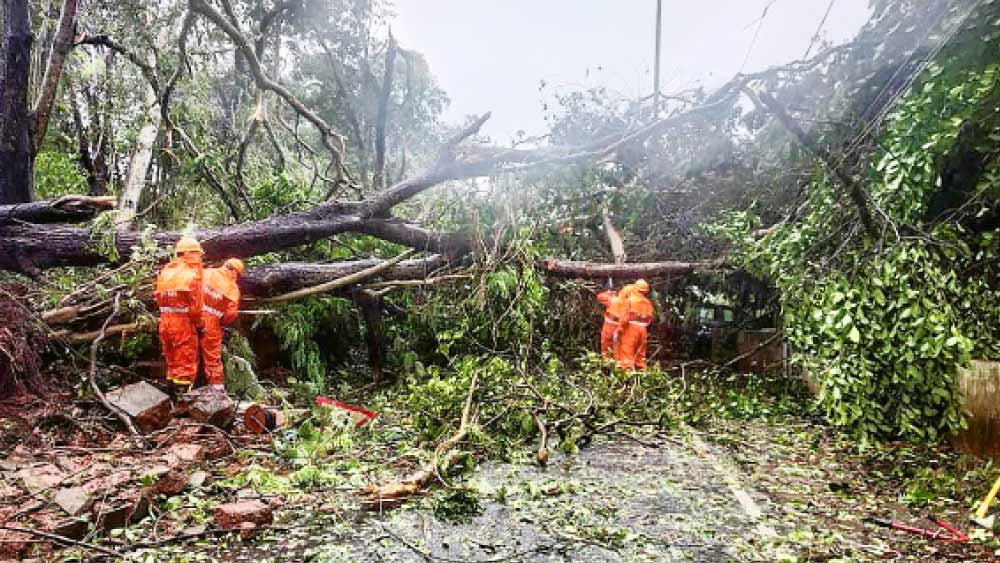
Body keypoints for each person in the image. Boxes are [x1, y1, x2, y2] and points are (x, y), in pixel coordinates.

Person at [154, 237, 204, 391]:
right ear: (193, 254)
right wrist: (200, 326)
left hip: (165, 322)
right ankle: (183, 400)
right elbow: (196, 308)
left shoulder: (166, 271)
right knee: (186, 361)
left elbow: (158, 298)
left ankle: (170, 396)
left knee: (172, 360)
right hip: (182, 324)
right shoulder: (192, 275)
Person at [201, 258, 244, 394]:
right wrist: (219, 320)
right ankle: (217, 392)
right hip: (211, 323)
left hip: (191, 317)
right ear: (235, 272)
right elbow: (230, 315)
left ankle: (182, 391)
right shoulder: (232, 289)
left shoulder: (206, 273)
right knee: (212, 358)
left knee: (186, 353)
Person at [617, 279, 654, 370]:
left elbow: (625, 317)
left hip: (631, 329)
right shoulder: (648, 303)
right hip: (643, 329)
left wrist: (620, 329)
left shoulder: (630, 301)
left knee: (627, 352)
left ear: (635, 289)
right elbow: (649, 318)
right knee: (640, 354)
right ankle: (642, 374)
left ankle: (628, 376)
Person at [597, 283, 634, 360]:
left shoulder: (613, 299)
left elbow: (599, 297)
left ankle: (608, 364)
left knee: (607, 347)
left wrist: (609, 293)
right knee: (616, 348)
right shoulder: (630, 304)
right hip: (618, 327)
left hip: (611, 326)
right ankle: (614, 365)